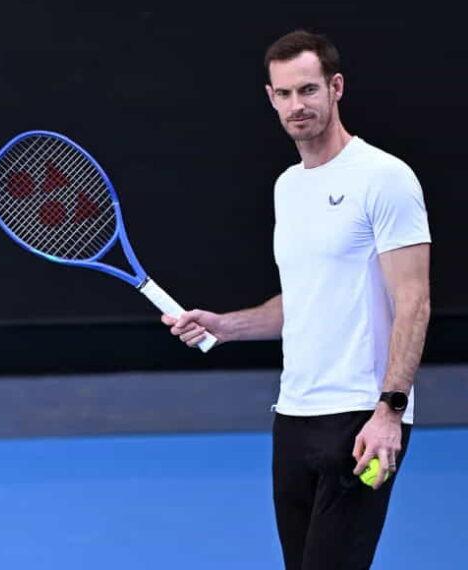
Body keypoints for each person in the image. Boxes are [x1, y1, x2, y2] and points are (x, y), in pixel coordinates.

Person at [163, 30, 431, 568]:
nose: (297, 106)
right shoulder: (288, 186)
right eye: (284, 94)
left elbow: (414, 299)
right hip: (293, 416)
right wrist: (225, 325)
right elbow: (306, 300)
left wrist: (390, 410)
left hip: (360, 418)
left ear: (335, 88)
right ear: (270, 98)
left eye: (308, 90)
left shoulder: (385, 178)